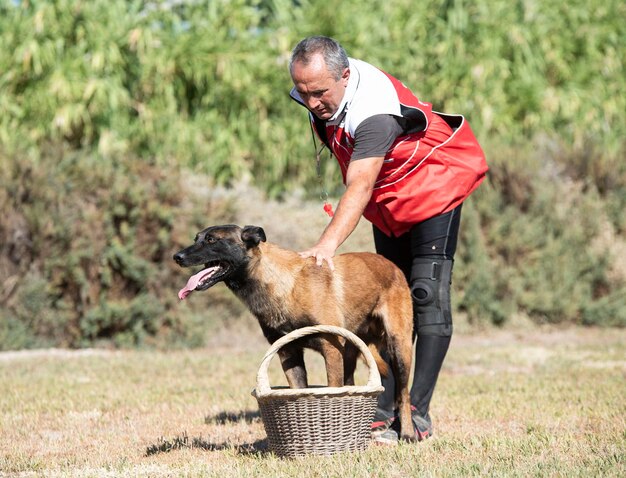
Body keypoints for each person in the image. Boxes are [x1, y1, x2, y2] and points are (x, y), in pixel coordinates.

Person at [288, 36, 488, 444]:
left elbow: (359, 186)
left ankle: (416, 411)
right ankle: (382, 409)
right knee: (386, 303)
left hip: (434, 186)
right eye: (303, 93)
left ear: (344, 76)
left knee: (425, 294)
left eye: (319, 93)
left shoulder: (374, 112)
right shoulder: (321, 86)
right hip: (391, 197)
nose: (311, 104)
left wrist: (326, 246)